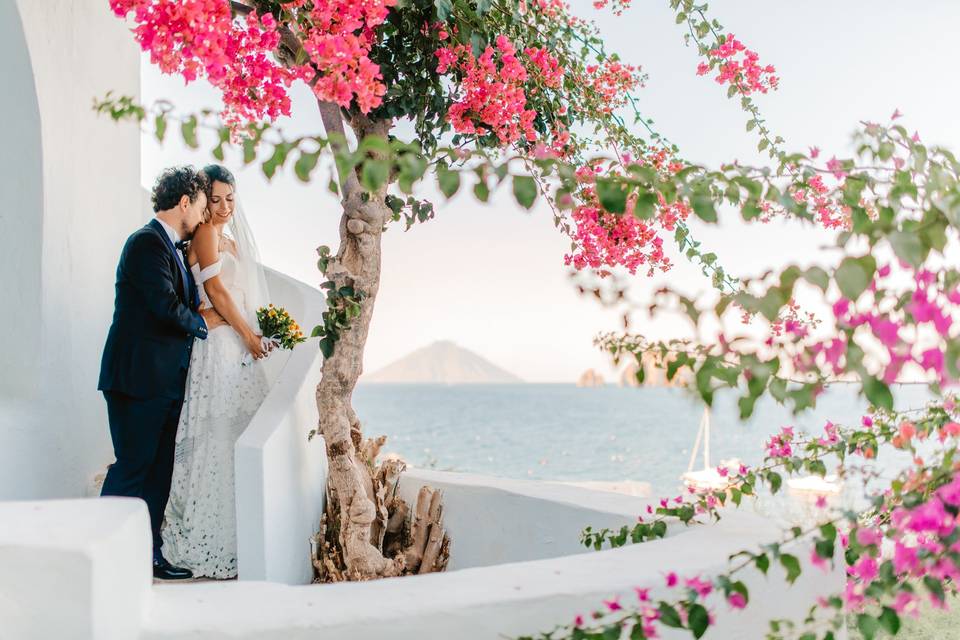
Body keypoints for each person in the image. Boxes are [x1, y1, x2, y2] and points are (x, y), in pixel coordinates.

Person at [98, 166, 220, 581]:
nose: (204, 217)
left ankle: (148, 556)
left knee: (158, 475)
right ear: (184, 201)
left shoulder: (172, 250)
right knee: (132, 469)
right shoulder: (146, 244)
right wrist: (207, 323)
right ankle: (95, 555)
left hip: (165, 383)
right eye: (202, 207)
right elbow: (164, 308)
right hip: (136, 381)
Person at [160, 164, 272, 579]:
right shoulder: (206, 232)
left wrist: (257, 331)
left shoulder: (229, 239)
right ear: (205, 199)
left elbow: (238, 291)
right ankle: (208, 533)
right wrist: (247, 334)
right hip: (221, 345)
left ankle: (240, 534)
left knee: (238, 437)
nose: (224, 207)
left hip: (237, 343)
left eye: (231, 199)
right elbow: (216, 291)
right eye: (218, 198)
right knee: (216, 437)